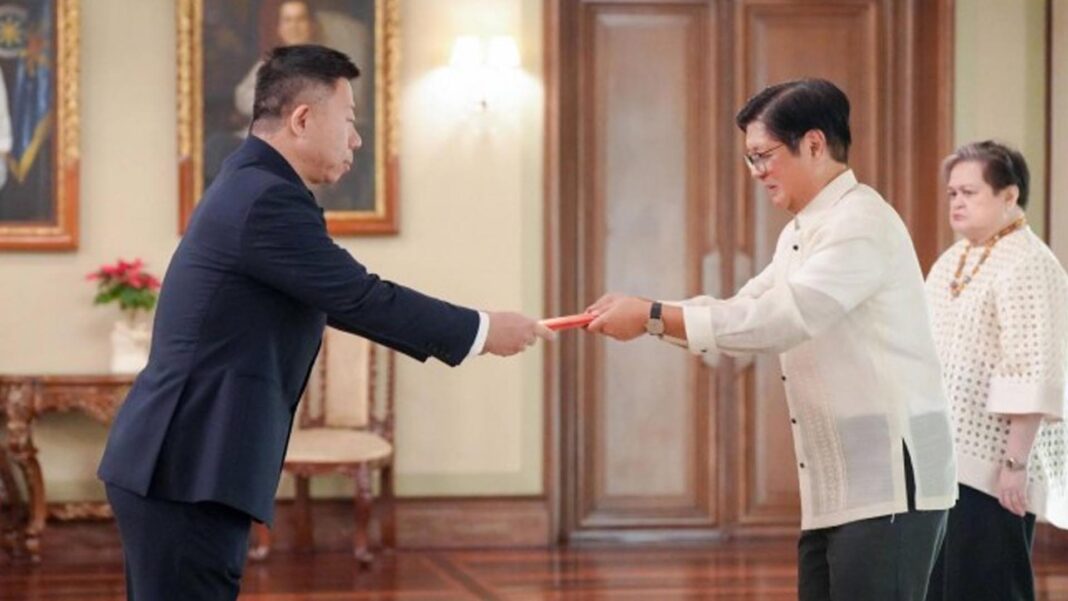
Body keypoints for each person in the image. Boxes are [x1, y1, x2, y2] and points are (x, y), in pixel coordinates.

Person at [97, 44, 552, 600]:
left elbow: (340, 299)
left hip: (184, 462)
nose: (356, 139)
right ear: (302, 119)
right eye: (350, 119)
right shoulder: (265, 199)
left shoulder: (251, 182)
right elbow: (359, 297)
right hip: (186, 465)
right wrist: (482, 330)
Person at [585, 78, 957, 600]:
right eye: (750, 159)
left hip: (894, 475)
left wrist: (650, 315)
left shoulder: (861, 222)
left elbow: (780, 320)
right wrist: (650, 317)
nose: (756, 172)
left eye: (763, 155)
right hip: (839, 483)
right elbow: (744, 308)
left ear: (814, 144)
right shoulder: (801, 231)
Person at [924, 141, 1068, 601]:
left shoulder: (1030, 263)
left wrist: (1014, 466)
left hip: (994, 466)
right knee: (942, 587)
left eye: (969, 192)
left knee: (990, 587)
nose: (957, 202)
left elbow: (1031, 370)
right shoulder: (954, 259)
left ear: (1009, 195)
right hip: (944, 460)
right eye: (952, 193)